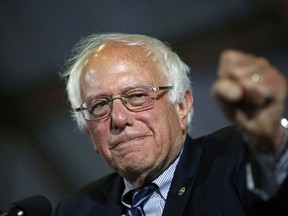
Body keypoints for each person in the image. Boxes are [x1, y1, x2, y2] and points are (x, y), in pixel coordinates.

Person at [54, 33, 288, 216]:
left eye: (137, 96)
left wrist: (274, 143)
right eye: (100, 105)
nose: (118, 118)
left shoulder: (236, 156)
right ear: (88, 131)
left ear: (182, 107)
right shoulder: (77, 210)